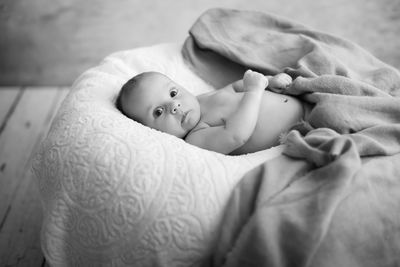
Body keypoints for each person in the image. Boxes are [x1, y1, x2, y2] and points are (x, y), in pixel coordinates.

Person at [116, 70, 308, 155]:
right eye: (158, 112)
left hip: (302, 97)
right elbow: (236, 135)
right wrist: (254, 91)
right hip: (303, 128)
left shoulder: (200, 101)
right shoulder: (196, 138)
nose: (174, 106)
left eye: (173, 93)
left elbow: (234, 87)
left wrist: (269, 81)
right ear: (150, 130)